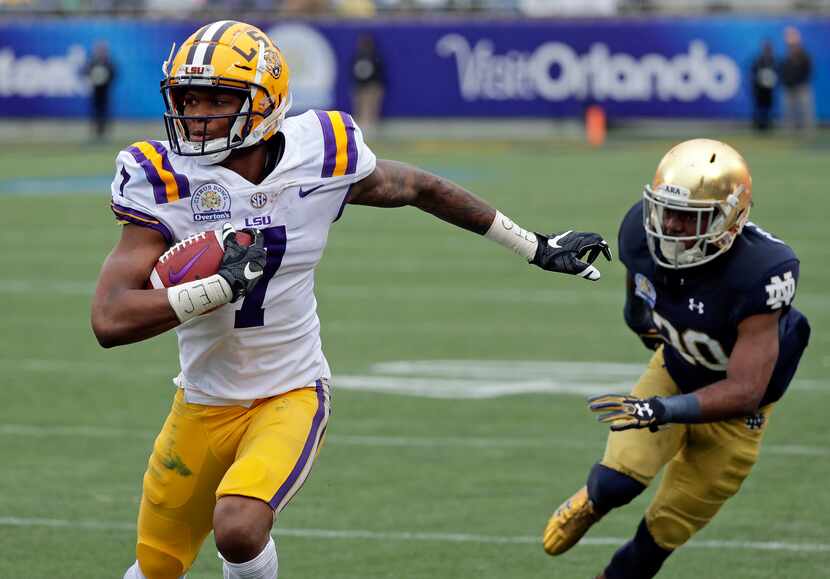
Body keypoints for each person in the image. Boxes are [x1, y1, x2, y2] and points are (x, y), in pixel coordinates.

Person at [90, 21, 610, 579]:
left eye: (217, 98)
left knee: (238, 529)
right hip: (201, 399)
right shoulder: (163, 179)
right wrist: (215, 288)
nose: (196, 113)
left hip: (288, 393)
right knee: (156, 565)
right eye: (187, 97)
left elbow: (420, 188)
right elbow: (109, 318)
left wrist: (534, 245)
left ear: (265, 105)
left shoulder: (319, 156)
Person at [541, 139, 810, 579]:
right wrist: (637, 320)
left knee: (660, 536)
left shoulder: (762, 270)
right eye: (667, 210)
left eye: (690, 217)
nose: (672, 225)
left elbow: (745, 391)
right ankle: (593, 499)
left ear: (731, 217)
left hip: (739, 418)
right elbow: (639, 290)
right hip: (674, 371)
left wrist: (659, 409)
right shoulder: (641, 232)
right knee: (617, 481)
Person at [779, 26, 815, 136]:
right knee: (788, 111)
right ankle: (789, 132)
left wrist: (800, 81)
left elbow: (808, 69)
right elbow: (783, 70)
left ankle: (807, 132)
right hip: (788, 87)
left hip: (801, 86)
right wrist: (786, 81)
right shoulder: (786, 55)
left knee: (805, 110)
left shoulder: (803, 55)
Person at [350, 32, 386, 138]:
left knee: (370, 107)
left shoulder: (375, 57)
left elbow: (380, 73)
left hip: (372, 86)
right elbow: (353, 71)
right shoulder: (357, 57)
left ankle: (370, 128)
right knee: (359, 107)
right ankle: (360, 128)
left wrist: (377, 87)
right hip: (360, 86)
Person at [84, 41, 117, 141]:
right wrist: (93, 78)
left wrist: (106, 80)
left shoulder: (108, 62)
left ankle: (104, 134)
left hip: (105, 91)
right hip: (95, 91)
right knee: (95, 112)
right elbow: (87, 72)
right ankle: (95, 134)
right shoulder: (93, 62)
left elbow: (113, 73)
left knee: (105, 112)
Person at [750, 40, 776, 132]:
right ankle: (759, 126)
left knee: (768, 108)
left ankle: (767, 125)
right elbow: (753, 73)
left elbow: (776, 73)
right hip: (760, 89)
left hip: (769, 89)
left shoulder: (773, 60)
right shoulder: (759, 60)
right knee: (759, 108)